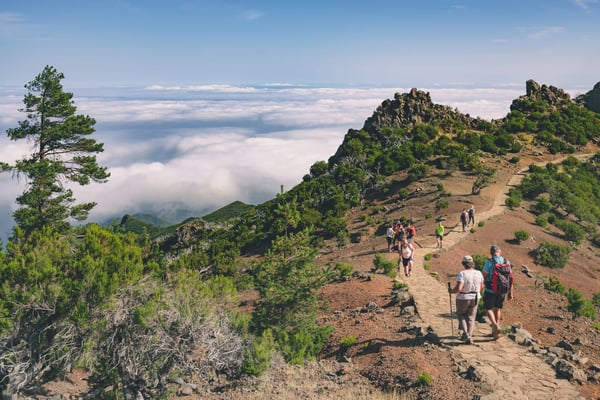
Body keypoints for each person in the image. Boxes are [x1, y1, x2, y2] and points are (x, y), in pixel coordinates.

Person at [448, 255, 484, 344]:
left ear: (464, 264)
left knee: (461, 315)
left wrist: (452, 291)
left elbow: (459, 288)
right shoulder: (479, 273)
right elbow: (482, 286)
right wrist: (477, 293)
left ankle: (466, 334)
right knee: (471, 317)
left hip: (463, 297)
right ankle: (470, 336)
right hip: (475, 296)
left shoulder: (462, 273)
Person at [482, 245, 514, 340]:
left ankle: (495, 325)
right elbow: (511, 278)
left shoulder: (489, 262)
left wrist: (482, 286)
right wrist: (510, 292)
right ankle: (496, 333)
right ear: (500, 252)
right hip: (502, 291)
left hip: (490, 290)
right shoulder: (506, 262)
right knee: (497, 309)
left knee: (488, 309)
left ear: (491, 253)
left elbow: (484, 275)